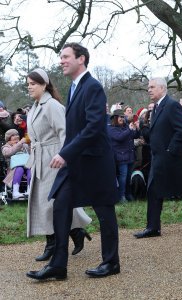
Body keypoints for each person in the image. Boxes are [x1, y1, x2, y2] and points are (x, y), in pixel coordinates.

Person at [26, 43, 120, 280]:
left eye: (66, 57)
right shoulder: (74, 88)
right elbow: (74, 128)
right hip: (76, 163)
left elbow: (94, 127)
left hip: (96, 162)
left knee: (104, 211)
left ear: (82, 59)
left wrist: (65, 153)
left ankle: (111, 262)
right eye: (61, 57)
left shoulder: (93, 87)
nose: (61, 61)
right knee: (60, 205)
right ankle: (58, 265)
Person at [25, 68, 92, 262]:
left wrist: (64, 158)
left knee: (51, 204)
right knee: (48, 203)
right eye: (28, 84)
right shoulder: (36, 106)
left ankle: (53, 244)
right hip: (40, 160)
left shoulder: (52, 105)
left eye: (33, 83)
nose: (29, 87)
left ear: (44, 85)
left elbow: (65, 133)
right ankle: (75, 232)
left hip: (54, 160)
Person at [133, 77, 182, 239]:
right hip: (159, 159)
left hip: (175, 160)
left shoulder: (172, 105)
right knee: (153, 190)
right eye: (148, 87)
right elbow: (158, 134)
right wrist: (144, 129)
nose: (149, 90)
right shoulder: (156, 108)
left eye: (152, 87)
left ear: (162, 88)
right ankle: (153, 227)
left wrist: (170, 150)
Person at [108, 109, 140, 202]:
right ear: (115, 118)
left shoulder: (126, 126)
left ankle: (128, 194)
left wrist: (137, 128)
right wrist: (129, 129)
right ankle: (121, 196)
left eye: (123, 116)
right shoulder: (111, 128)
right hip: (120, 157)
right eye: (120, 117)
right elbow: (119, 137)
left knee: (128, 177)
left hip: (130, 156)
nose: (122, 118)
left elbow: (135, 136)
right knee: (123, 177)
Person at [1, 129, 31, 199]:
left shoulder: (24, 145)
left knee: (31, 169)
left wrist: (29, 144)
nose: (16, 136)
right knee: (19, 169)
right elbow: (8, 153)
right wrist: (19, 143)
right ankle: (15, 192)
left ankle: (30, 190)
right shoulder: (5, 147)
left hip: (26, 165)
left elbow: (31, 153)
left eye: (17, 134)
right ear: (9, 138)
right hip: (13, 169)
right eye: (13, 135)